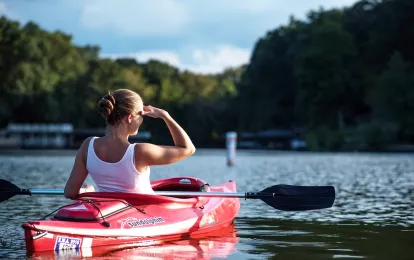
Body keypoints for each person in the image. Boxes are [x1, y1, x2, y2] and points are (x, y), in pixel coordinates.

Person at [64, 89, 196, 200]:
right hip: (142, 217)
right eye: (141, 114)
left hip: (110, 214)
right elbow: (188, 148)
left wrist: (88, 192)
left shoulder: (88, 145)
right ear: (130, 117)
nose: (142, 119)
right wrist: (165, 116)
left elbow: (70, 192)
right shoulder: (140, 151)